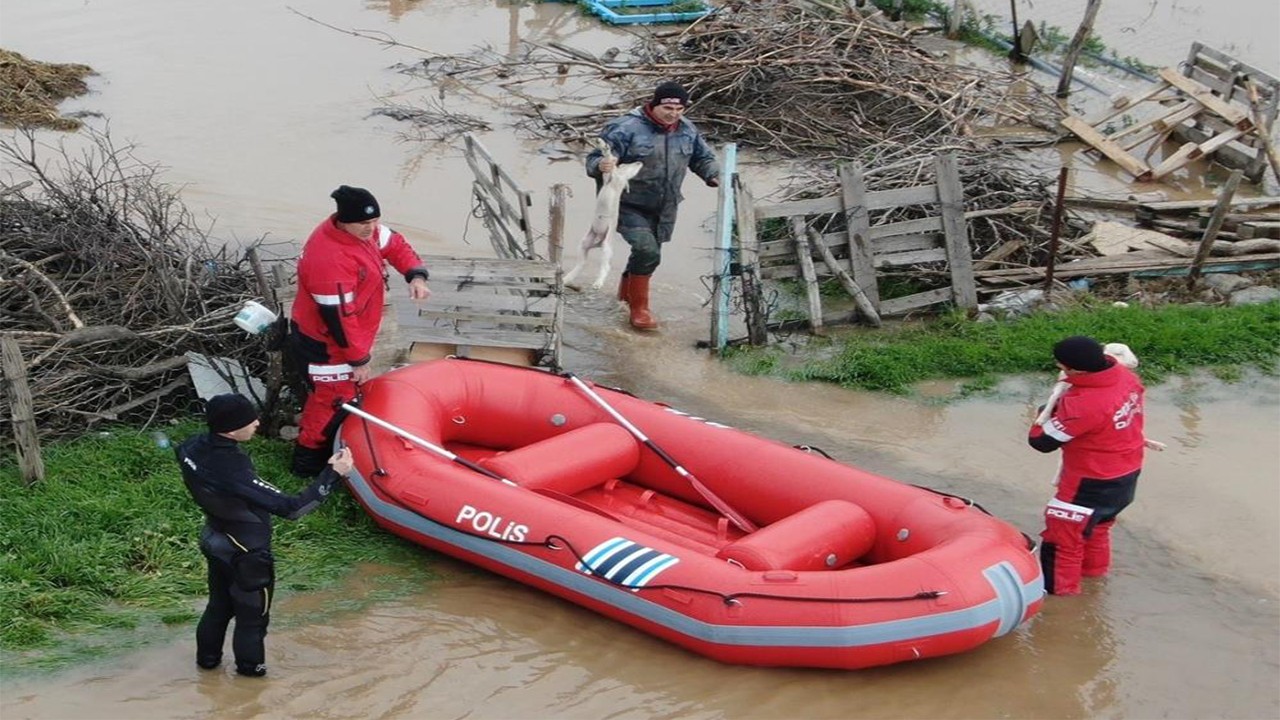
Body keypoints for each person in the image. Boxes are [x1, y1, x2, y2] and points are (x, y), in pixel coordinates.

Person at [176, 393, 354, 677]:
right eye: (250, 420)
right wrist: (333, 473)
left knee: (218, 608)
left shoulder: (189, 447)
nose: (257, 423)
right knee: (252, 622)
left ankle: (207, 665)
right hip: (247, 553)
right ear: (232, 430)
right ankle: (251, 682)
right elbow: (292, 508)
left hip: (215, 538)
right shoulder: (232, 467)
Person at [288, 185, 430, 476]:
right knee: (331, 399)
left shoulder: (363, 233)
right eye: (365, 223)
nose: (372, 228)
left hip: (349, 338)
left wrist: (414, 274)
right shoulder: (330, 259)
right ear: (344, 220)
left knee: (340, 394)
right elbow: (338, 318)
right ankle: (306, 464)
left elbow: (395, 244)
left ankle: (331, 447)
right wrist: (358, 360)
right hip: (327, 343)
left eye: (375, 221)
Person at [586, 80, 720, 330]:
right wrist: (599, 166)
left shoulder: (687, 130)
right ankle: (640, 310)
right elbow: (594, 158)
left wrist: (713, 175)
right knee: (648, 251)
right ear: (654, 104)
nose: (673, 114)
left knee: (648, 256)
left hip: (665, 205)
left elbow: (702, 158)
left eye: (679, 109)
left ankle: (625, 297)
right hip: (626, 203)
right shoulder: (625, 128)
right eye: (668, 108)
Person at [1028, 336, 1146, 596]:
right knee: (1098, 529)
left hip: (1088, 484)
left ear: (1071, 369)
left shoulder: (1083, 405)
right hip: (1126, 474)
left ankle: (1061, 608)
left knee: (1061, 544)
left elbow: (1041, 441)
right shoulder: (1126, 377)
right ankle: (1095, 584)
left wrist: (1043, 412)